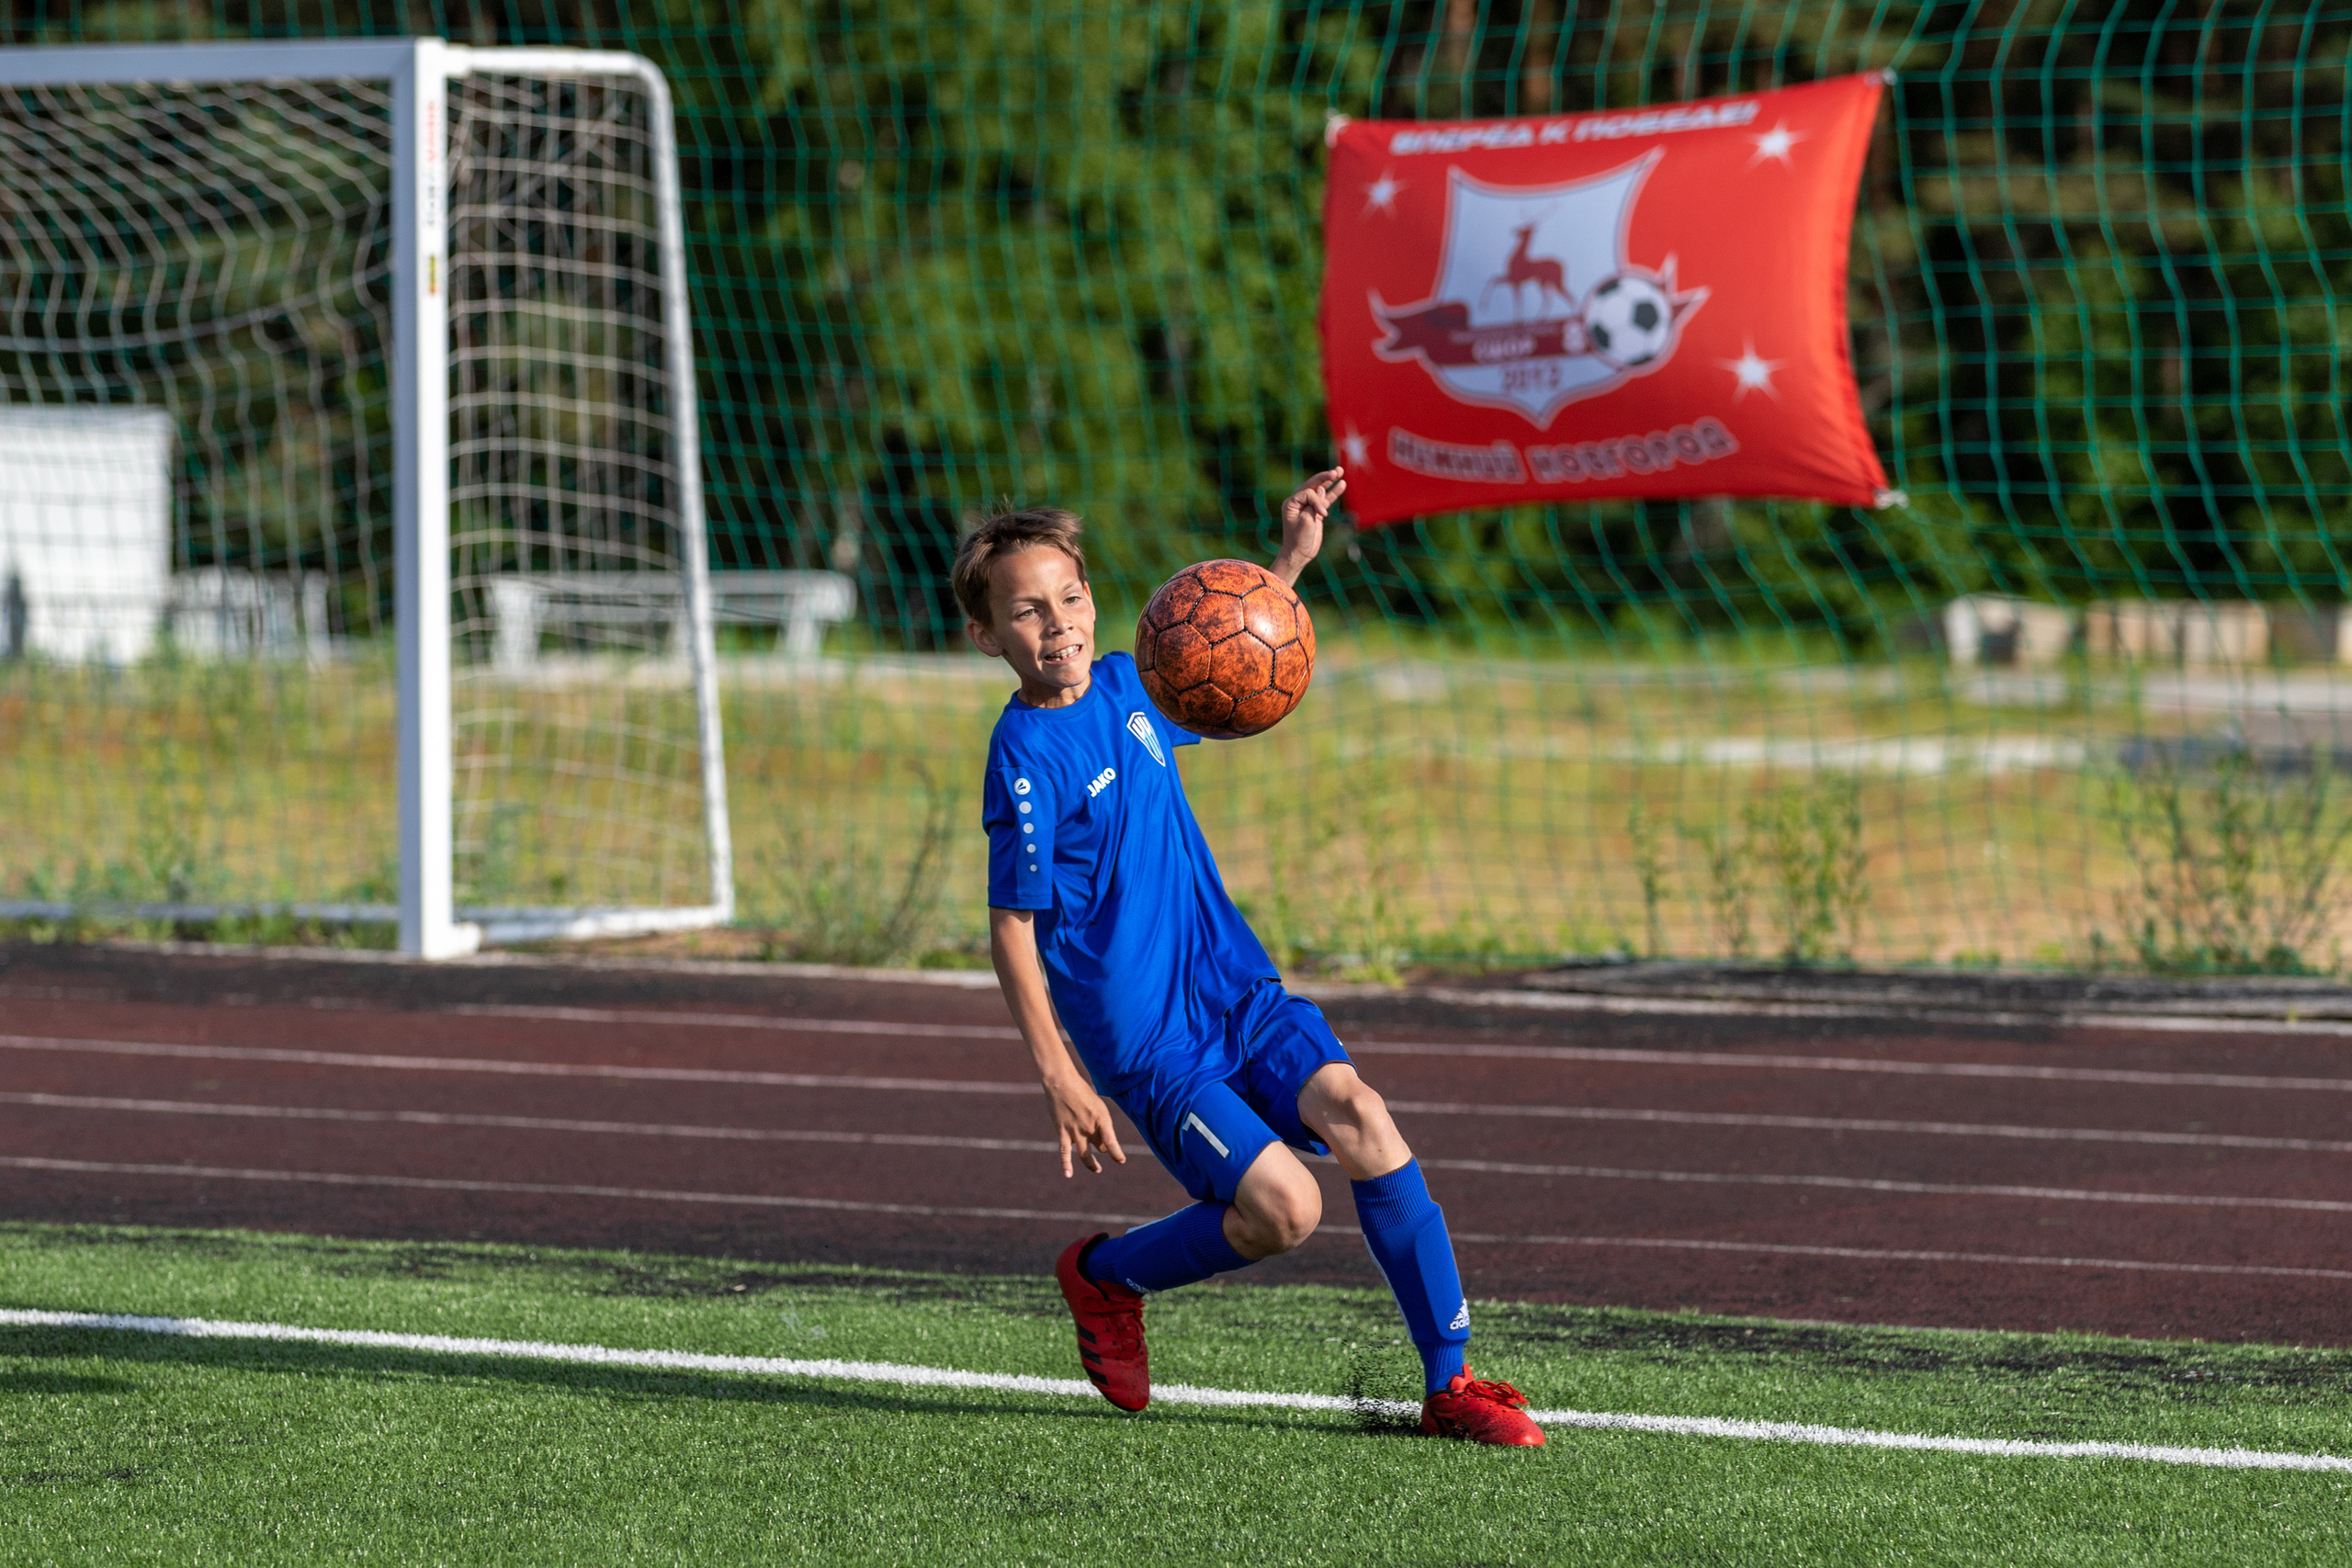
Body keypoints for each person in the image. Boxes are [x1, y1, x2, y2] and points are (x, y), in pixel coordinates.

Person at [953, 468, 1543, 1446]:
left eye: (1070, 597)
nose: (1056, 624)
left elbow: (1226, 657)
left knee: (1362, 1114)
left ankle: (1451, 1385)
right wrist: (1059, 1076)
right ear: (986, 638)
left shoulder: (1126, 685)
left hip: (1236, 991)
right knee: (1284, 1209)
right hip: (1148, 1040)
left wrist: (1287, 566)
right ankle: (1104, 1279)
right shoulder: (1023, 757)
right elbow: (1012, 924)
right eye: (1025, 611)